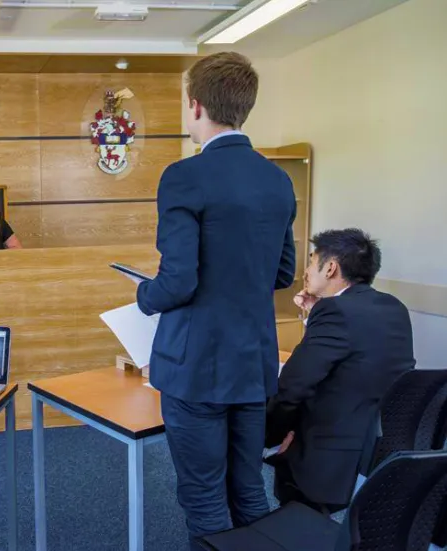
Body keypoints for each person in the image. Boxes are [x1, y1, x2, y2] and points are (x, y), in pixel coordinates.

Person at [135, 52, 296, 549]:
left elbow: (177, 282)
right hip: (253, 365)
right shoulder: (277, 179)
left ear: (195, 105)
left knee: (204, 497)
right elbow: (285, 273)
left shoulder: (184, 176)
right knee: (248, 489)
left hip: (196, 367)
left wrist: (144, 294)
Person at [266, 229, 415, 512]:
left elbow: (293, 385)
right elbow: (353, 361)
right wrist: (315, 317)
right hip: (376, 452)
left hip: (326, 460)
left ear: (331, 267)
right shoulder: (394, 307)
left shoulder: (336, 312)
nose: (307, 271)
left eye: (311, 262)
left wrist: (270, 438)